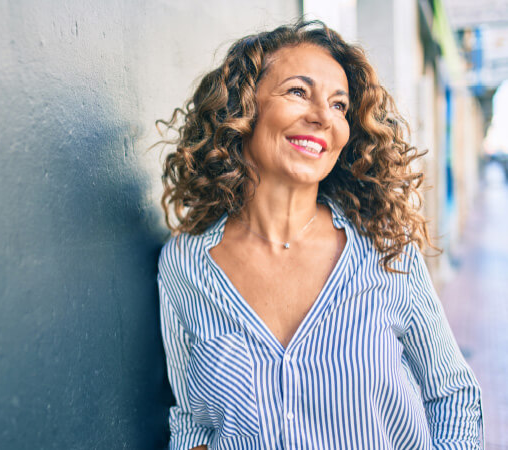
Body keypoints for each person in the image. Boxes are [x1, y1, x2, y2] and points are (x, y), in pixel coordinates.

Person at [156, 20, 483, 450]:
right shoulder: (186, 264)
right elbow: (194, 425)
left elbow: (453, 397)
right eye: (297, 91)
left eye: (339, 105)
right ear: (241, 109)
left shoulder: (386, 251)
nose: (322, 117)